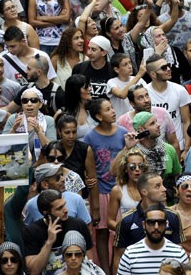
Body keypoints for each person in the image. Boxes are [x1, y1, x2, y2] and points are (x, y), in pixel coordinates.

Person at [84, 98, 128, 274]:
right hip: (101, 190)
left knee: (121, 230)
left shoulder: (123, 132)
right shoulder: (90, 137)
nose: (113, 111)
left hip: (121, 189)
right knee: (101, 232)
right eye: (108, 109)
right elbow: (90, 168)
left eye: (111, 108)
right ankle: (104, 269)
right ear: (98, 116)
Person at [114, 172, 185, 271]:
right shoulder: (126, 220)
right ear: (144, 192)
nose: (164, 189)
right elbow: (118, 257)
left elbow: (178, 253)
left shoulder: (173, 216)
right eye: (157, 186)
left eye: (163, 184)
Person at [23, 190, 93, 275]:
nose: (65, 210)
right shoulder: (32, 232)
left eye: (64, 205)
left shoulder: (78, 225)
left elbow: (89, 263)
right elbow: (34, 271)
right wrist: (49, 242)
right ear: (46, 213)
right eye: (59, 208)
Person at [117, 205, 189, 274]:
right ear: (143, 225)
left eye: (160, 222)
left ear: (166, 224)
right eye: (151, 222)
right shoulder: (130, 254)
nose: (156, 227)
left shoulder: (179, 253)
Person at [145, 53, 191, 152]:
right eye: (163, 68)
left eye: (168, 66)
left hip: (178, 148)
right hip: (153, 150)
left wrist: (186, 149)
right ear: (153, 74)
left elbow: (186, 121)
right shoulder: (145, 94)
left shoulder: (179, 90)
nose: (169, 69)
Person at [117, 84, 180, 155]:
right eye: (140, 98)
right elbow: (120, 151)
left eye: (147, 95)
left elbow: (174, 143)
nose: (146, 100)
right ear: (132, 103)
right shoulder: (122, 121)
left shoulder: (162, 113)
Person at [23, 163, 91, 225]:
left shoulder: (76, 199)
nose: (63, 179)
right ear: (45, 184)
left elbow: (87, 227)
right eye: (58, 177)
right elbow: (29, 231)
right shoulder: (31, 205)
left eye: (62, 175)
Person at [3, 87, 56, 164]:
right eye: (25, 101)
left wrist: (39, 132)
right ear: (21, 104)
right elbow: (3, 146)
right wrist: (13, 130)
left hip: (42, 165)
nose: (29, 104)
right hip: (17, 164)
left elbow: (53, 150)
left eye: (34, 100)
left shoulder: (48, 121)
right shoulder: (13, 119)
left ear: (40, 104)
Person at [107, 148, 148, 231]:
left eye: (141, 166)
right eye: (132, 166)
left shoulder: (151, 189)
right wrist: (126, 232)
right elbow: (110, 221)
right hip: (127, 238)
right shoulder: (118, 190)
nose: (137, 169)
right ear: (125, 169)